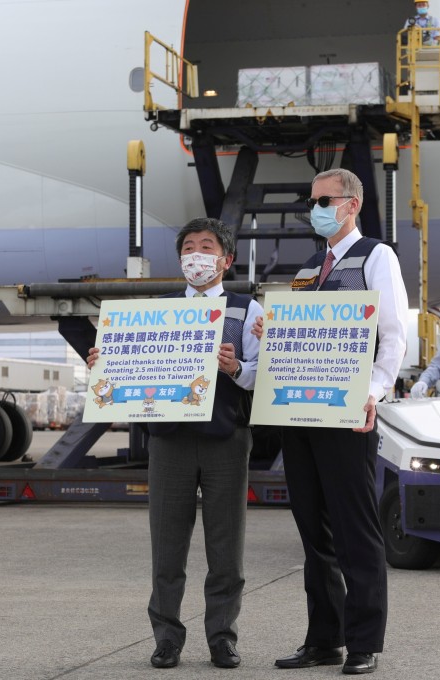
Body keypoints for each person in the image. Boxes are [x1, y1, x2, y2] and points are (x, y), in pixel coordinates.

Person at [87, 218, 263, 670]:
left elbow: (265, 376)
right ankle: (167, 637)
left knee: (227, 548)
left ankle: (222, 637)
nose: (196, 254)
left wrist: (235, 369)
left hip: (226, 438)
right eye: (189, 246)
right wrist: (103, 364)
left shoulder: (248, 310)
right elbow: (125, 373)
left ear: (226, 259)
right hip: (168, 441)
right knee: (167, 547)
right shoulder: (155, 311)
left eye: (207, 246)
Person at [254, 168, 408, 675]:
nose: (314, 207)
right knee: (313, 532)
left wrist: (374, 392)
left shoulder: (376, 256)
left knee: (355, 530)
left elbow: (394, 335)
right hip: (299, 415)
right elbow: (295, 340)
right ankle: (324, 638)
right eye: (311, 199)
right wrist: (267, 329)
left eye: (323, 199)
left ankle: (364, 641)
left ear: (351, 204)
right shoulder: (307, 269)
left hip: (346, 416)